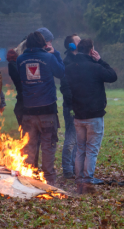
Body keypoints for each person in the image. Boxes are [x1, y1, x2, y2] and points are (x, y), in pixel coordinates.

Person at [65, 39, 117, 194]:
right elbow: (112, 76)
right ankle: (87, 181)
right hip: (94, 115)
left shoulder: (69, 69)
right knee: (92, 149)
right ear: (91, 50)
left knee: (80, 148)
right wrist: (100, 60)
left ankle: (79, 179)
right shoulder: (96, 67)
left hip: (78, 115)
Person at [16, 31, 65, 185]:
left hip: (28, 111)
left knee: (30, 146)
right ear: (43, 43)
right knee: (48, 146)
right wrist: (55, 53)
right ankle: (49, 181)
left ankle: (29, 180)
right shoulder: (48, 57)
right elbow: (62, 73)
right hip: (47, 111)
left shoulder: (20, 59)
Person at [60, 34, 81, 179]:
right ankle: (67, 170)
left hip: (79, 104)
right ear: (72, 46)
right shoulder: (67, 62)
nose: (81, 42)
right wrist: (72, 104)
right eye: (78, 40)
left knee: (78, 139)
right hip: (71, 105)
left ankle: (73, 168)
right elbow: (66, 87)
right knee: (70, 139)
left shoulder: (79, 59)